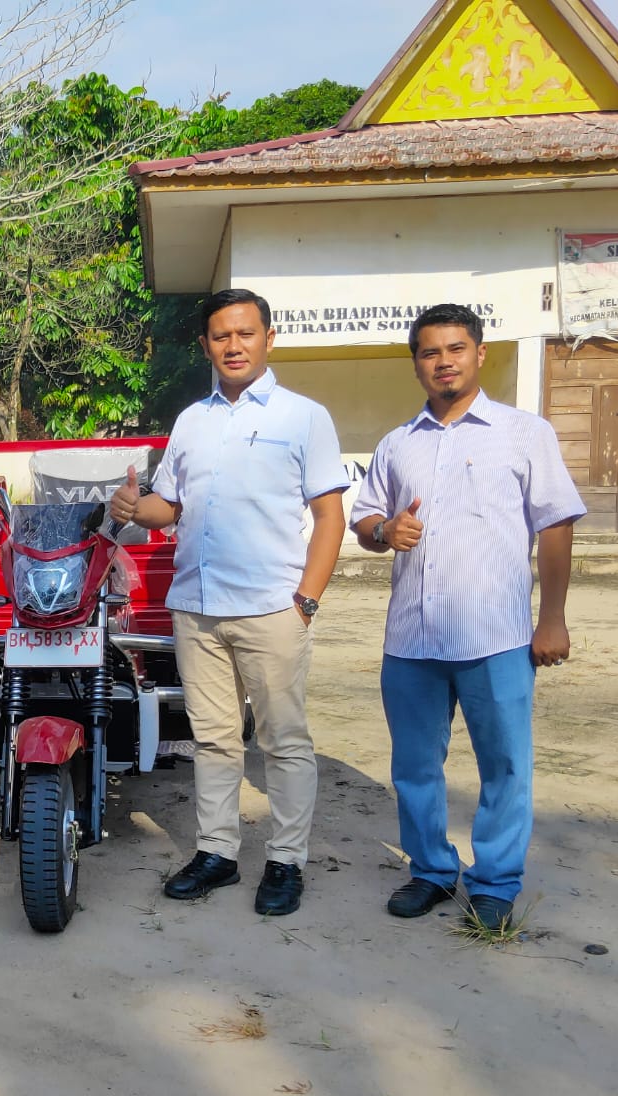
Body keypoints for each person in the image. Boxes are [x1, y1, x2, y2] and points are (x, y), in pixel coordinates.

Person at [110, 288, 349, 917]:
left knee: (283, 741)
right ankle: (216, 852)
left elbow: (330, 516)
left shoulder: (304, 417)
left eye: (246, 333)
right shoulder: (192, 420)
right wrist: (135, 507)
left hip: (272, 608)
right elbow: (169, 507)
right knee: (214, 741)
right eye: (221, 336)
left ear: (269, 338)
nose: (234, 346)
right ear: (206, 345)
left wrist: (306, 602)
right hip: (197, 608)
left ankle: (286, 860)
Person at [348, 303, 585, 932]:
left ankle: (495, 882)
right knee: (414, 767)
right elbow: (365, 519)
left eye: (456, 348)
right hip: (412, 639)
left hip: (496, 637)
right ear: (416, 363)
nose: (444, 361)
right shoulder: (398, 444)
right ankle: (430, 870)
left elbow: (555, 526)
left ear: (480, 354)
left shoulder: (524, 433)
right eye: (430, 351)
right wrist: (384, 530)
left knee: (504, 765)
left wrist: (553, 618)